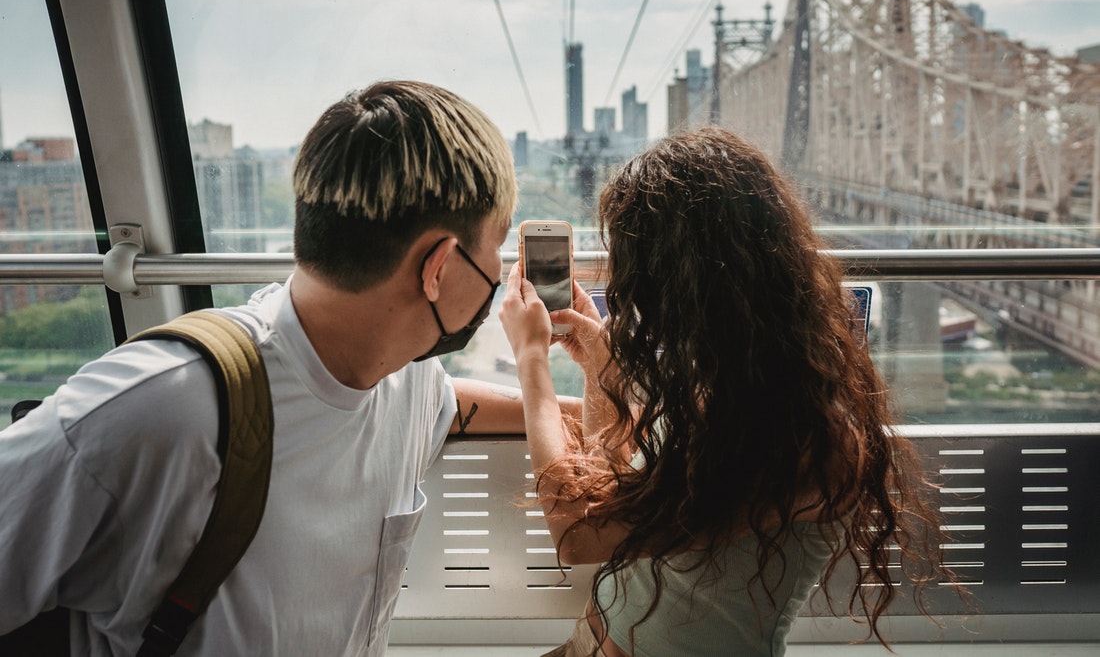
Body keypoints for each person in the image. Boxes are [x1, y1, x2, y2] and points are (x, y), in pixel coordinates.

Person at [0, 80, 541, 655]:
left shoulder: (403, 378)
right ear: (438, 266)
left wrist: (601, 411)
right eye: (497, 246)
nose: (501, 270)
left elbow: (450, 404)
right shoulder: (157, 411)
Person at [500, 127, 939, 656]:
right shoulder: (719, 386)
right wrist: (600, 373)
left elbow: (579, 534)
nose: (636, 295)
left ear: (692, 280)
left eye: (644, 273)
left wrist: (531, 360)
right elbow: (614, 481)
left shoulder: (801, 436)